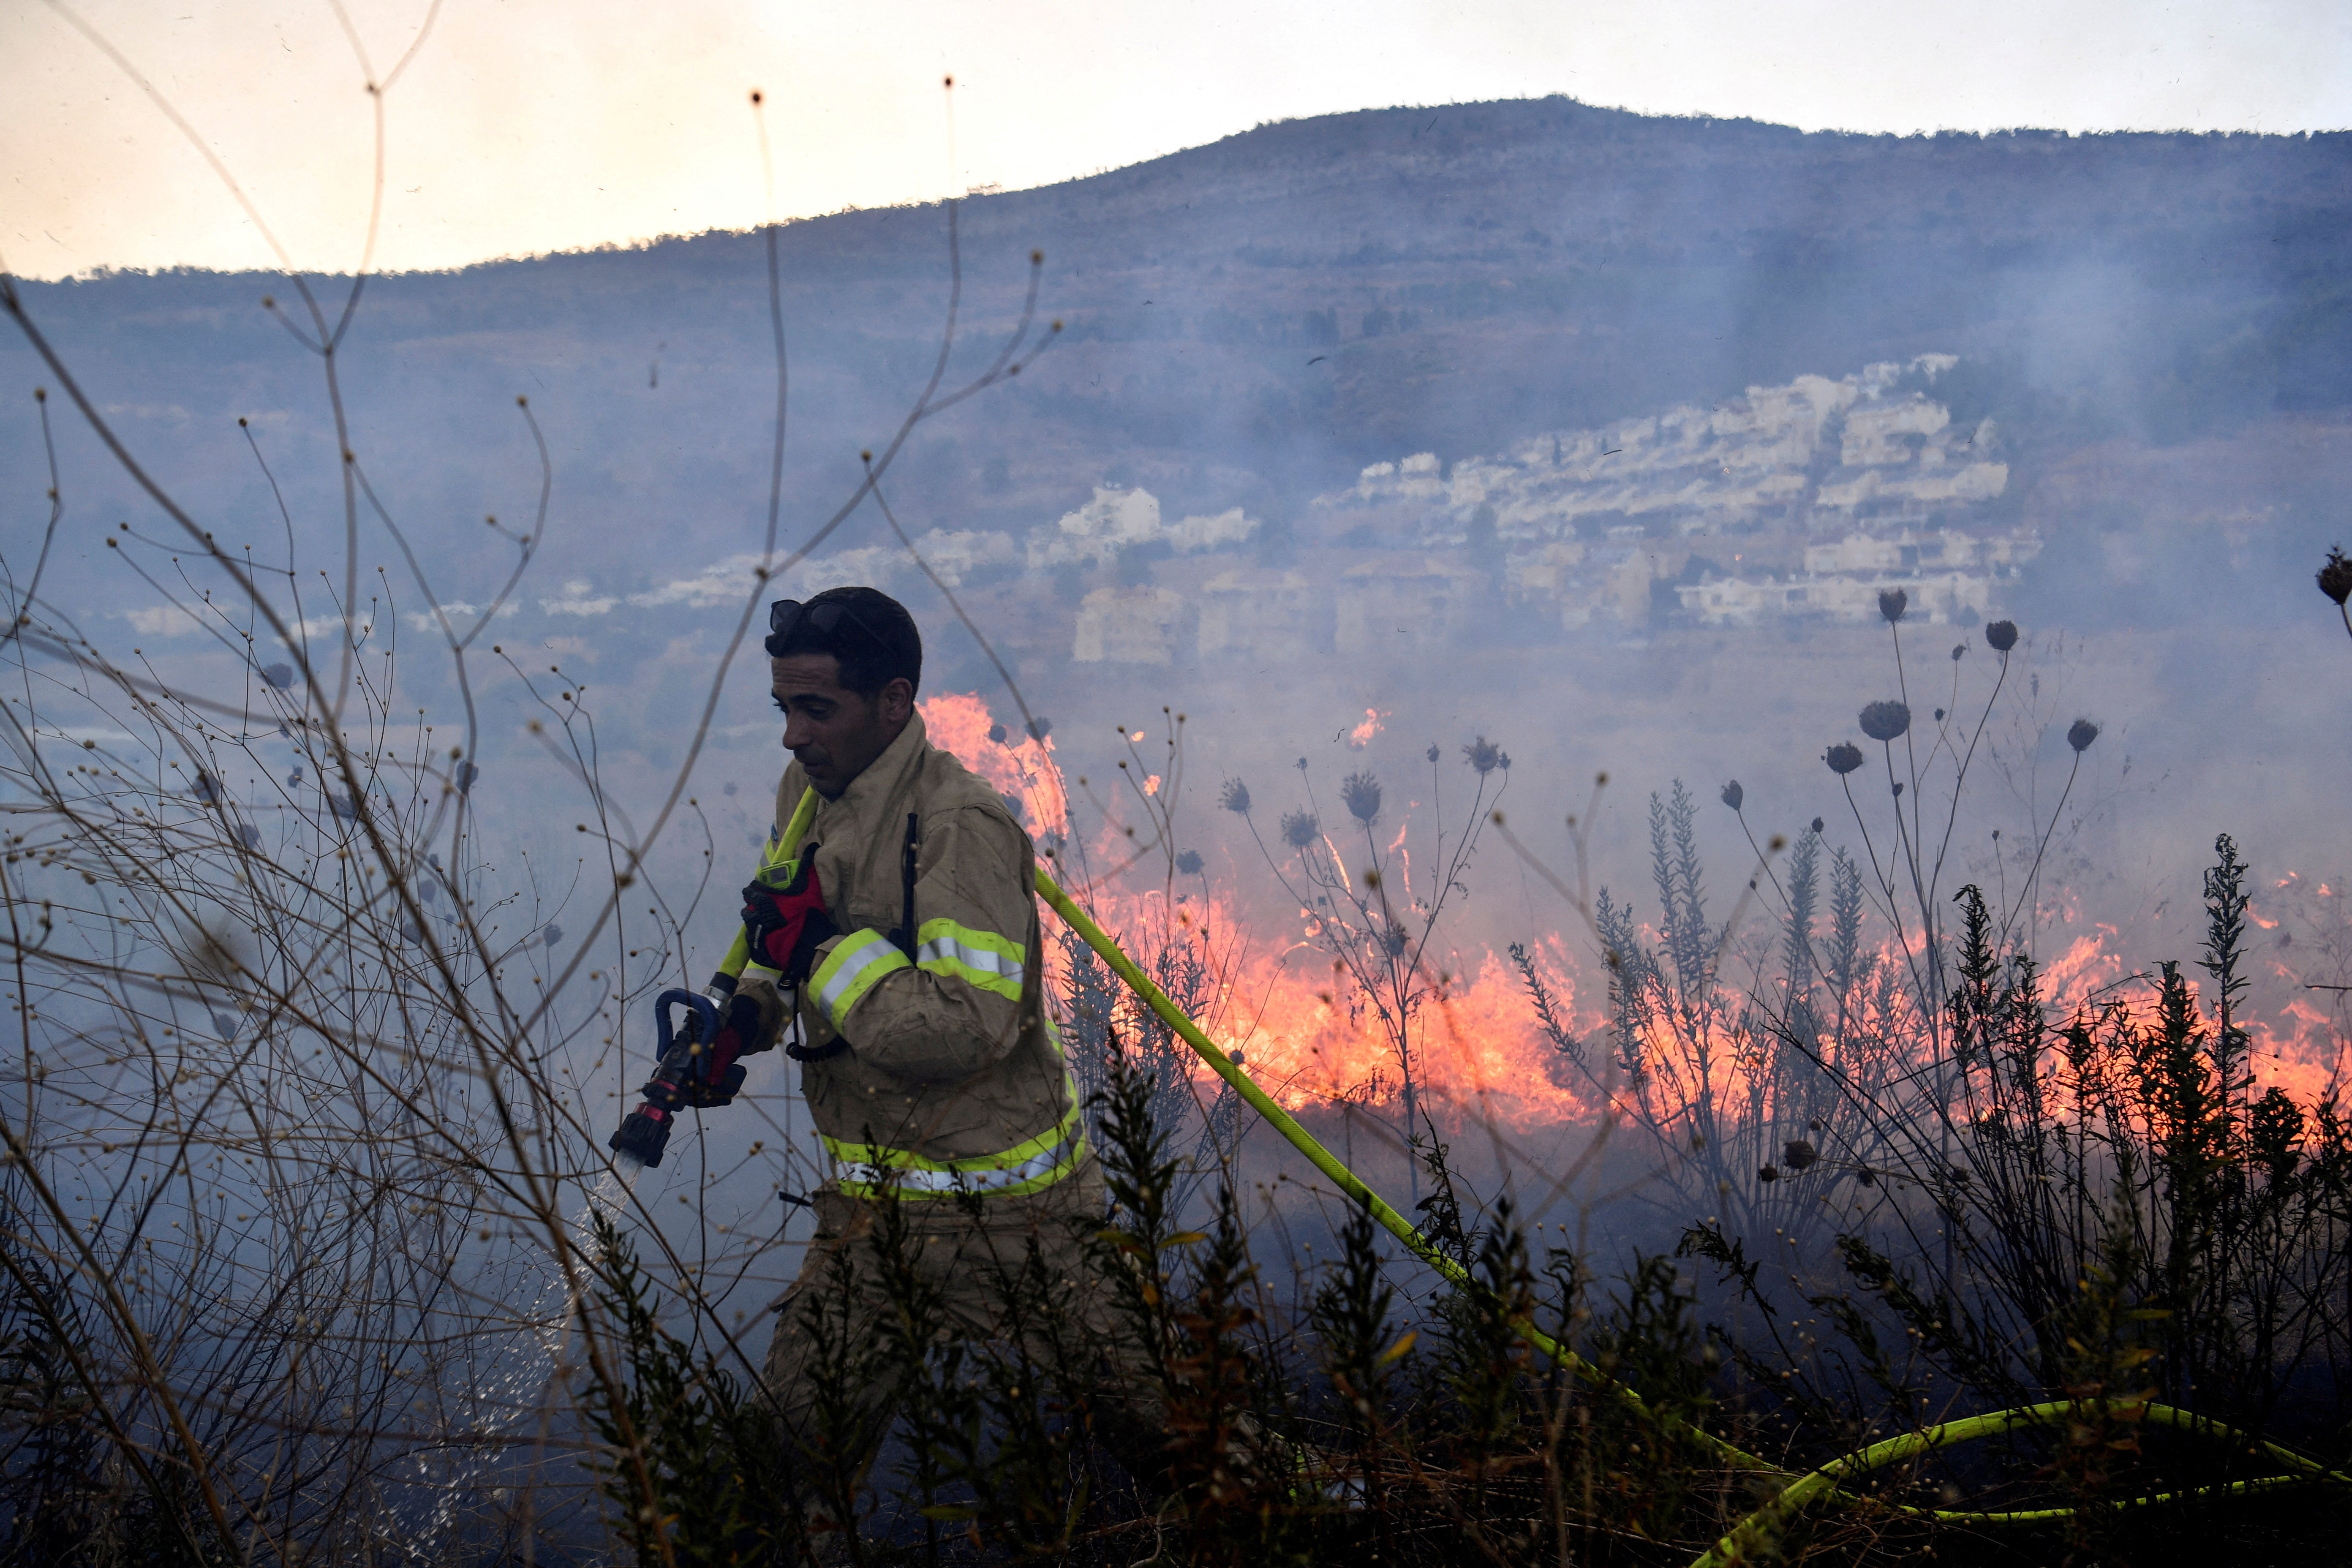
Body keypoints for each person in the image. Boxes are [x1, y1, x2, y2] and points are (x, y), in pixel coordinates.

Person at [739, 585, 1153, 1524]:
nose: (793, 735)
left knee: (1178, 1435)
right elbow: (785, 931)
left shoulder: (960, 824)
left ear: (893, 701)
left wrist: (813, 956)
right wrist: (743, 1016)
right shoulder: (806, 793)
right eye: (784, 708)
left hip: (1014, 1223)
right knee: (774, 1472)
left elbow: (963, 1028)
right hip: (869, 1228)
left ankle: (1347, 1513)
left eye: (817, 708)